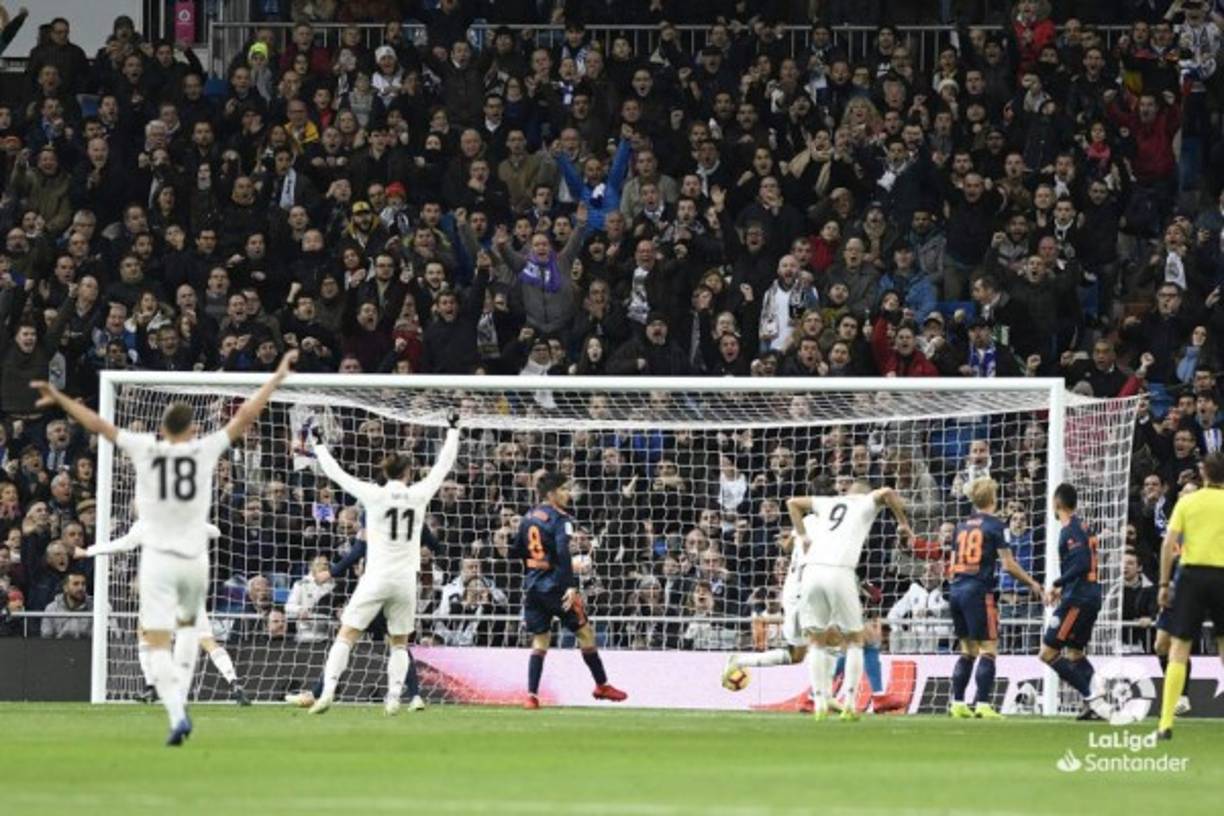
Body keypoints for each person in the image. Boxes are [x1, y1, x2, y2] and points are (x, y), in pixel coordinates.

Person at [29, 349, 297, 745]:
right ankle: (193, 696)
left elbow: (99, 424)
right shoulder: (203, 451)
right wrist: (275, 378)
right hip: (193, 562)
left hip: (157, 563)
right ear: (191, 430)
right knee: (194, 634)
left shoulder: (146, 450)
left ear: (163, 430)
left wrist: (60, 398)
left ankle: (173, 709)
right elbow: (244, 417)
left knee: (154, 637)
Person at [307, 409, 461, 716]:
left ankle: (328, 692)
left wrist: (319, 445)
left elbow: (337, 474)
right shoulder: (419, 494)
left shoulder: (373, 495)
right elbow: (443, 465)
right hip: (405, 581)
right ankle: (393, 698)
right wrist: (453, 430)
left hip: (375, 577)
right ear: (408, 473)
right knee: (400, 643)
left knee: (346, 636)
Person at [80, 521, 252, 706]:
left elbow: (124, 544)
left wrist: (89, 551)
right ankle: (235, 684)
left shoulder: (146, 524)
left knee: (144, 635)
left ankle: (151, 686)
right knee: (207, 641)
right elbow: (215, 532)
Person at [787, 483, 910, 720]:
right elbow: (886, 492)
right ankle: (850, 704)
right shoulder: (864, 503)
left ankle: (819, 702)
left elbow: (793, 503)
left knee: (817, 641)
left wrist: (803, 536)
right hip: (840, 571)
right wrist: (903, 523)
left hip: (812, 572)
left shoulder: (828, 503)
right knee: (856, 640)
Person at [513, 470, 626, 709]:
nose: (569, 494)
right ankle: (602, 685)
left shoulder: (527, 517)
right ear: (551, 494)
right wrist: (571, 585)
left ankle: (531, 696)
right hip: (556, 585)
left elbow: (517, 550)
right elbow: (564, 553)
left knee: (541, 639)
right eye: (564, 489)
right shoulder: (561, 519)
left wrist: (534, 569)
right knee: (585, 633)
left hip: (533, 585)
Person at [947, 477, 1046, 720]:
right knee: (989, 649)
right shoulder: (995, 526)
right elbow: (1008, 565)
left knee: (967, 650)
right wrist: (1032, 583)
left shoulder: (961, 526)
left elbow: (951, 564)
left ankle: (958, 703)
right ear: (993, 498)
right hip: (978, 591)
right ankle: (982, 704)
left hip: (956, 590)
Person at [1153, 452, 1224, 739]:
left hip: (1192, 577)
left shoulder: (1188, 502)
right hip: (1222, 575)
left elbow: (1168, 544)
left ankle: (1166, 722)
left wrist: (1163, 584)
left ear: (1204, 473)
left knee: (1179, 647)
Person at [1036, 484, 1114, 721]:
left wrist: (1058, 583)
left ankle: (1093, 699)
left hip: (1078, 599)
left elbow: (1081, 563)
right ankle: (1097, 701)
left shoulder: (1070, 529)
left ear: (1056, 503)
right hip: (1089, 595)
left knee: (1048, 652)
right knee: (1074, 653)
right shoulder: (1083, 527)